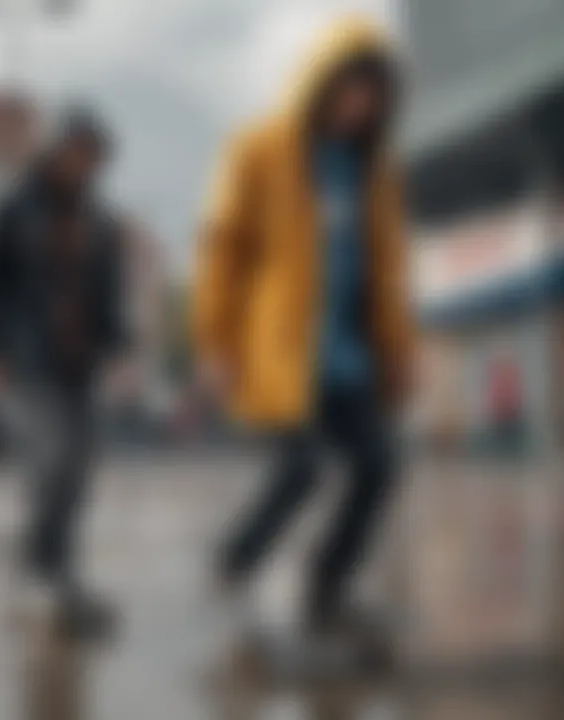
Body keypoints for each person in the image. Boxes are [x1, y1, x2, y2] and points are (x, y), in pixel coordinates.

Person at [194, 17, 413, 636]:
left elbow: (389, 271)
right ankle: (234, 560)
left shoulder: (376, 172)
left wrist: (399, 349)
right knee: (301, 468)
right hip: (281, 352)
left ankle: (328, 582)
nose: (357, 107)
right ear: (320, 85)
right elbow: (223, 248)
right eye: (348, 91)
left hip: (350, 357)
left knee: (381, 465)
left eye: (372, 98)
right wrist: (215, 342)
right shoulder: (258, 149)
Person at [0, 109, 134, 638]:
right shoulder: (13, 211)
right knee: (51, 463)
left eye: (92, 156)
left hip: (79, 364)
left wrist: (119, 353)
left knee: (78, 472)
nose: (82, 164)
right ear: (53, 150)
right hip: (27, 360)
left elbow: (110, 296)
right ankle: (36, 576)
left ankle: (60, 575)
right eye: (74, 151)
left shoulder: (101, 221)